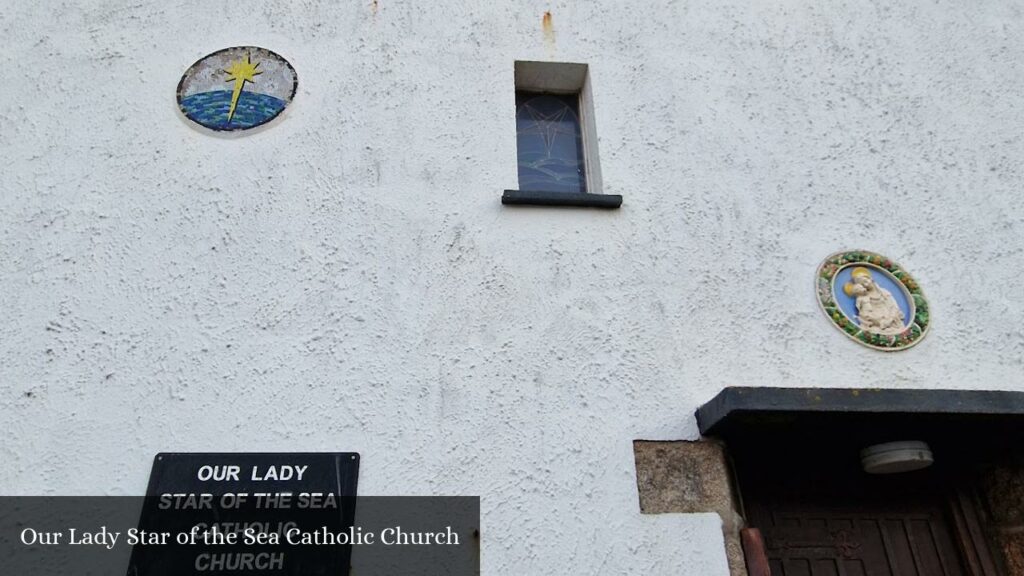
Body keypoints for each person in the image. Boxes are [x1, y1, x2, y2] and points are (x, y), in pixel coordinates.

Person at [844, 268, 905, 335]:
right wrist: (879, 322)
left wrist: (890, 319)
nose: (865, 284)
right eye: (862, 284)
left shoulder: (884, 292)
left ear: (871, 279)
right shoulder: (864, 298)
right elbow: (865, 315)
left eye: (865, 281)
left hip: (893, 321)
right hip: (878, 324)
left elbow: (894, 307)